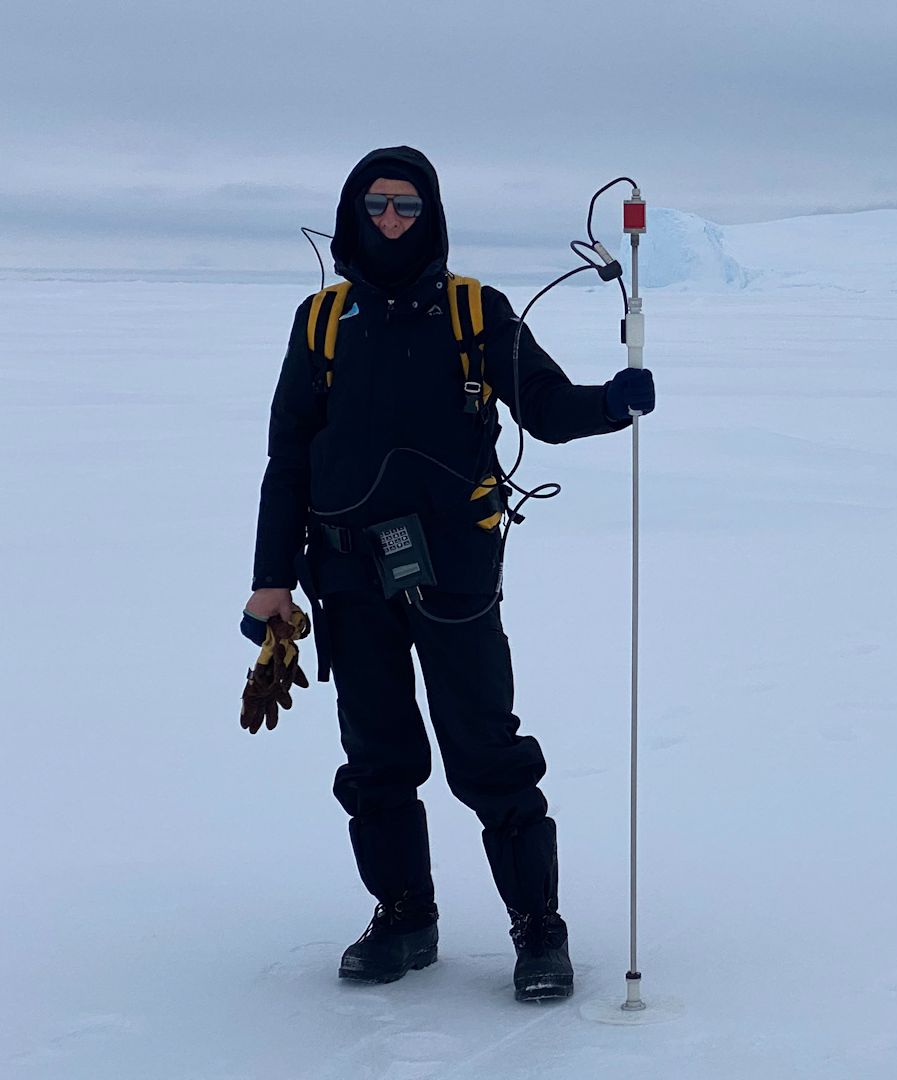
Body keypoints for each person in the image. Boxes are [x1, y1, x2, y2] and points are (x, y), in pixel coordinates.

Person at [244, 146, 655, 1003]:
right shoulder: (320, 322)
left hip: (455, 575)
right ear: (353, 213)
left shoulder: (476, 310)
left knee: (485, 753)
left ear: (430, 213)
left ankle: (538, 926)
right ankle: (405, 915)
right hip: (349, 580)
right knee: (378, 757)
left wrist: (609, 404)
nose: (390, 220)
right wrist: (270, 578)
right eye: (375, 205)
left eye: (406, 206)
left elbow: (541, 406)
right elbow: (288, 459)